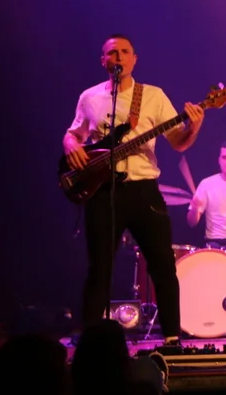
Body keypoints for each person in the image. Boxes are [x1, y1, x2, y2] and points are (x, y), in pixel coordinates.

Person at [63, 35, 204, 345]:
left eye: (125, 52)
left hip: (143, 192)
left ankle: (171, 337)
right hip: (103, 192)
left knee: (163, 266)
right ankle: (91, 339)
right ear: (103, 60)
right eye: (112, 52)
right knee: (100, 268)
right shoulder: (90, 97)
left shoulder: (153, 96)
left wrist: (193, 127)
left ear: (134, 59)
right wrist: (71, 144)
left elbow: (178, 142)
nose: (119, 57)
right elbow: (74, 133)